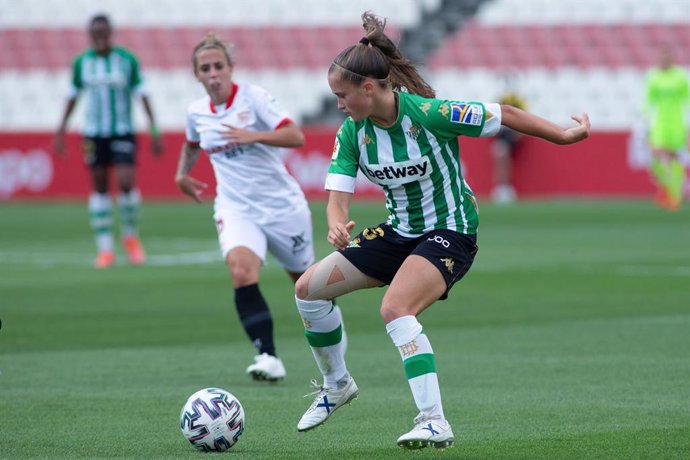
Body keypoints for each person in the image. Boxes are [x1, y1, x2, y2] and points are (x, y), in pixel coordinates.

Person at [292, 12, 590, 449]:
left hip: (451, 231)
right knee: (307, 291)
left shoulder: (431, 114)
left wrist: (563, 136)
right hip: (399, 233)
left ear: (369, 88)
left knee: (396, 310)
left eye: (342, 95)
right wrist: (337, 227)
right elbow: (337, 198)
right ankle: (337, 385)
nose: (338, 104)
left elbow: (504, 113)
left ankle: (433, 421)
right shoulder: (353, 132)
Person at [175, 33, 315, 382]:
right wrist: (182, 174)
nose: (213, 74)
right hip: (236, 207)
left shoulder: (254, 99)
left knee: (309, 287)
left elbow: (295, 136)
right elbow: (193, 142)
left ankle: (332, 350)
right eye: (205, 68)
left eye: (218, 66)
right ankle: (268, 356)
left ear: (231, 68)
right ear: (196, 75)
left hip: (282, 206)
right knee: (241, 272)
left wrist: (253, 135)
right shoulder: (196, 112)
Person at [53, 14, 163, 268]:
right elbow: (73, 96)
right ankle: (105, 249)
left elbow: (142, 94)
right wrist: (60, 131)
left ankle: (131, 238)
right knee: (100, 187)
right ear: (90, 35)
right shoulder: (82, 63)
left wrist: (154, 129)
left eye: (103, 32)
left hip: (122, 130)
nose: (99, 37)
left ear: (111, 33)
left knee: (126, 182)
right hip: (93, 133)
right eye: (95, 33)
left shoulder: (127, 60)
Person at [643, 46, 689, 211]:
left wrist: (688, 128)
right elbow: (648, 103)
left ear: (672, 59)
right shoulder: (653, 77)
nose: (664, 60)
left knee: (674, 157)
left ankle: (674, 196)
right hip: (659, 124)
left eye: (667, 57)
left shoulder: (680, 77)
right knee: (656, 157)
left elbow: (687, 101)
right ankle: (668, 190)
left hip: (676, 123)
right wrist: (646, 126)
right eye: (662, 57)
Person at [491, 91, 528, 203]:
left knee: (504, 161)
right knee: (502, 159)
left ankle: (504, 187)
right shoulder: (500, 106)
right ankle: (502, 187)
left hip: (509, 140)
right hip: (501, 140)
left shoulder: (518, 104)